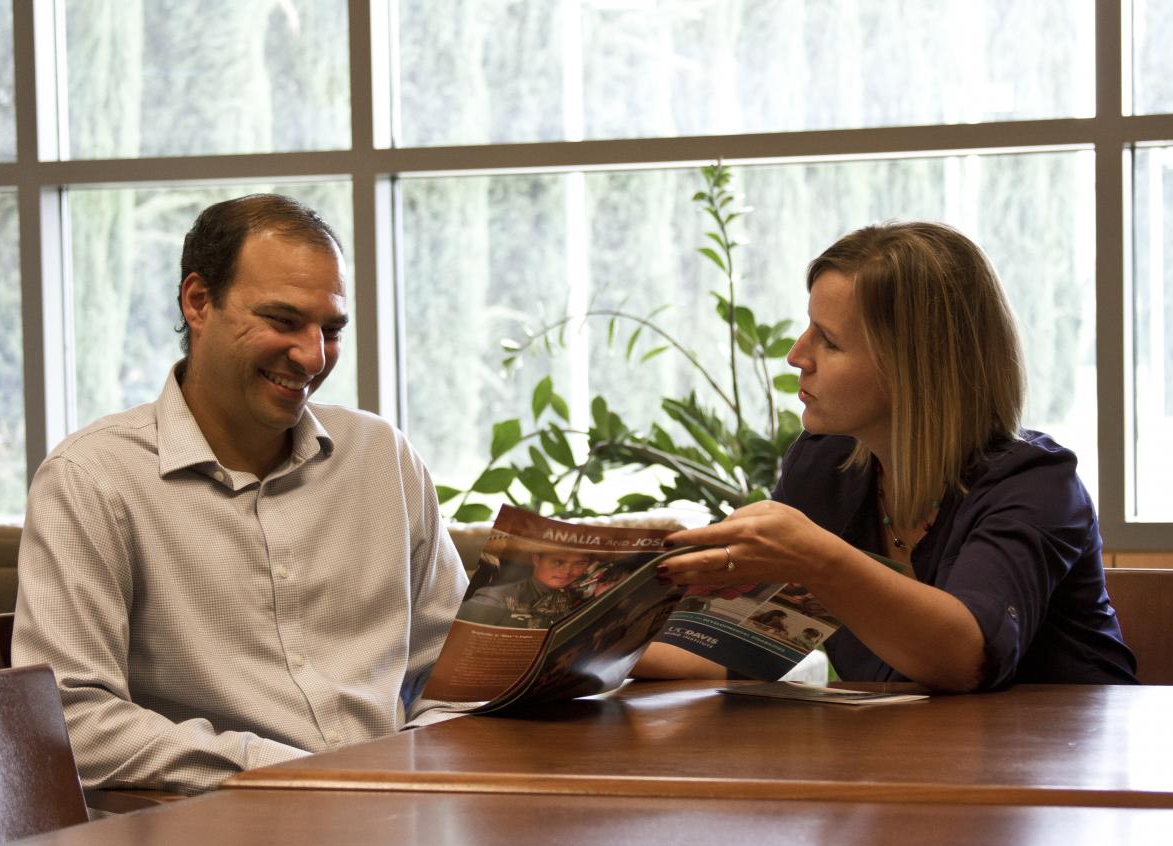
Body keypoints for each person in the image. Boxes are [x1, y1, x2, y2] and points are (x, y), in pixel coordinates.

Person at [13, 194, 467, 793]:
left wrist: (419, 771)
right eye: (283, 322)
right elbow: (69, 720)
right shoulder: (91, 479)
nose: (312, 356)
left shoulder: (384, 457)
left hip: (394, 818)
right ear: (198, 302)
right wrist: (288, 771)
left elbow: (459, 674)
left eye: (330, 330)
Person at [639, 221, 1137, 692]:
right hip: (911, 763)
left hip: (1065, 766)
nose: (797, 355)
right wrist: (580, 651)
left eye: (830, 341)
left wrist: (815, 557)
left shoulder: (1036, 484)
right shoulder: (822, 466)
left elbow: (966, 658)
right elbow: (742, 643)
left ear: (918, 368)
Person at [455, 549, 594, 629]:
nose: (568, 571)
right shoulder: (497, 599)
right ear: (536, 559)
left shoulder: (581, 597)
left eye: (580, 563)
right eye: (558, 562)